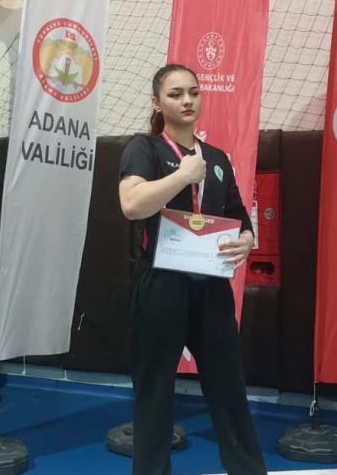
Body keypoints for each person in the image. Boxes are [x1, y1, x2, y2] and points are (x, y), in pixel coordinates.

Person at [118, 64, 266, 475]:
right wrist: (183, 175)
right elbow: (131, 205)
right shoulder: (145, 148)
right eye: (176, 94)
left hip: (211, 285)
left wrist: (247, 239)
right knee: (155, 392)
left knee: (229, 388)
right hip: (161, 284)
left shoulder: (216, 158)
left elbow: (238, 215)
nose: (187, 101)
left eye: (194, 93)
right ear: (157, 103)